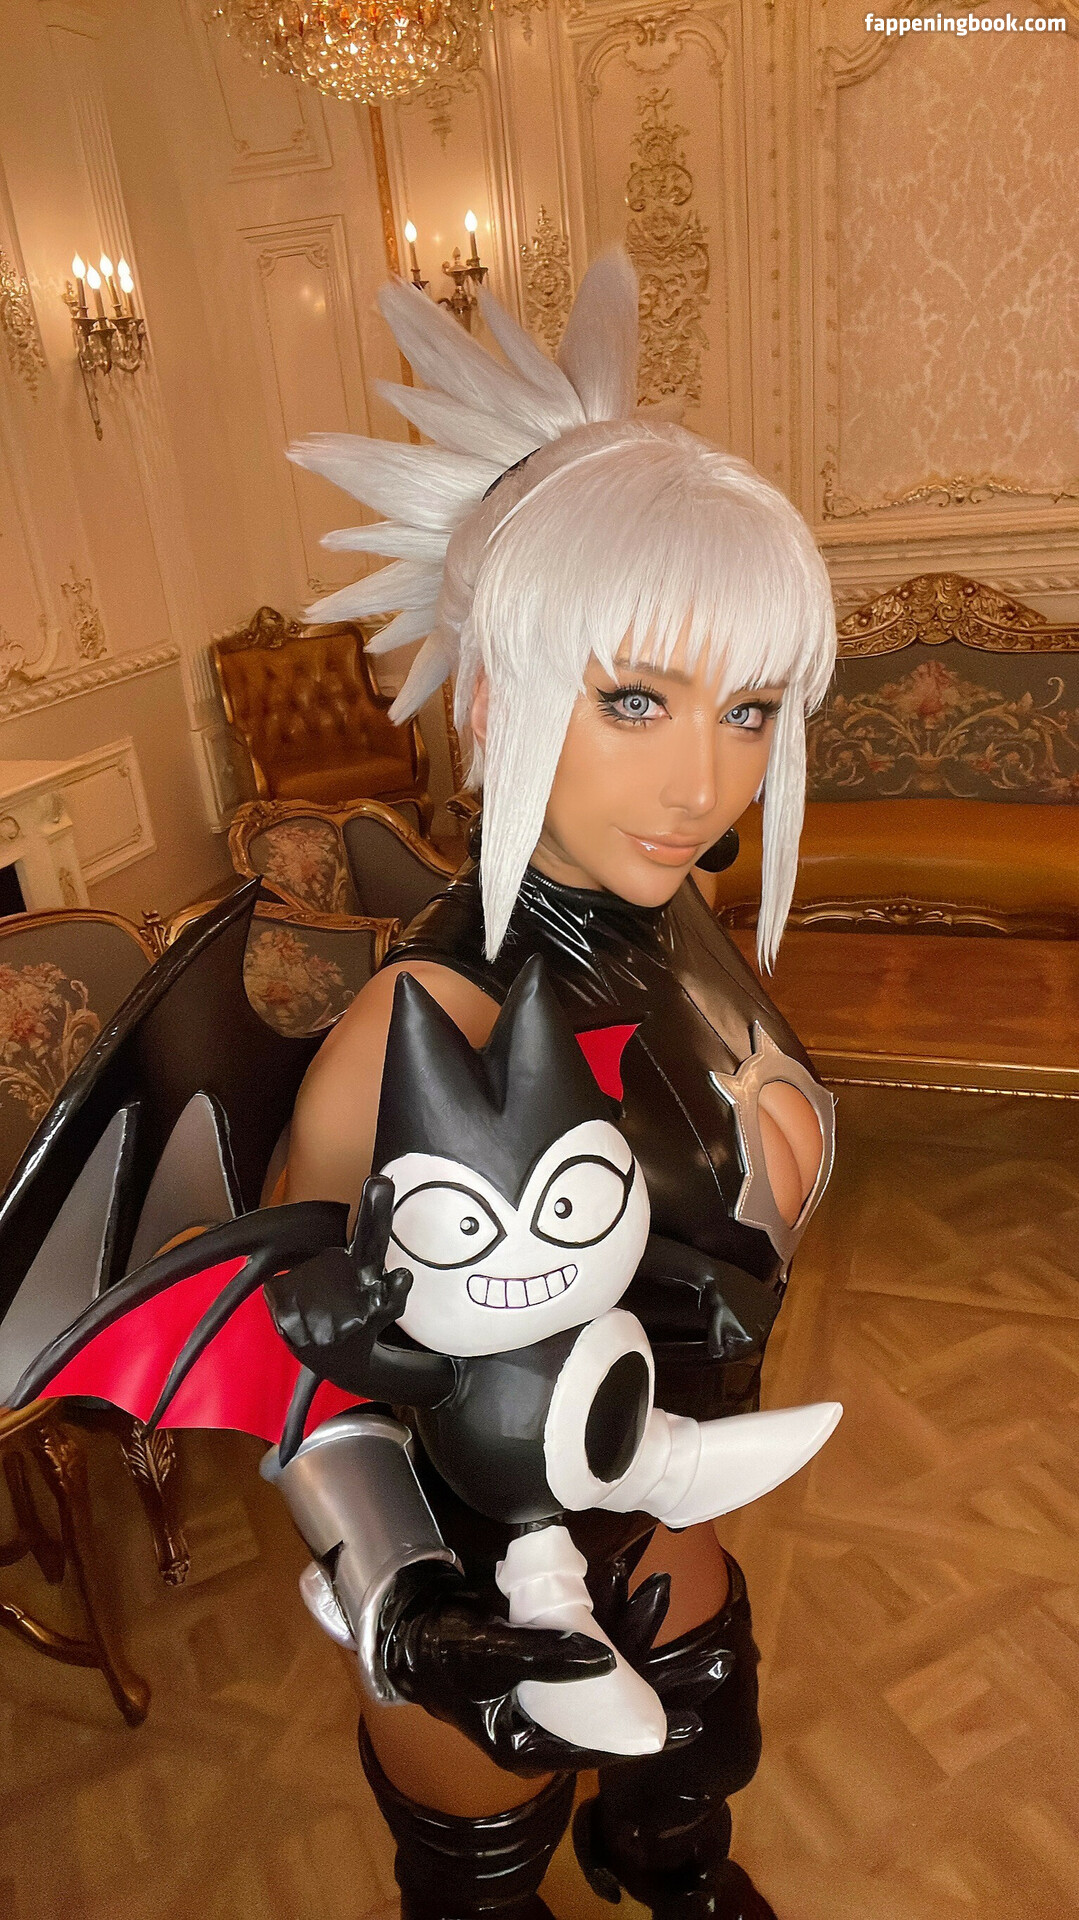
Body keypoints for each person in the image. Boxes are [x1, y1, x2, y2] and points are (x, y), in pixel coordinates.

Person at [277, 250, 838, 1920]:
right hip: (477, 1584)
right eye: (636, 701)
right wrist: (404, 1601)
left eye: (749, 709)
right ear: (492, 692)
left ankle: (660, 1866)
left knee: (697, 1766)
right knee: (483, 1883)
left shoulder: (674, 917)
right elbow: (289, 1348)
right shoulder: (425, 1023)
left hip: (657, 1509)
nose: (703, 781)